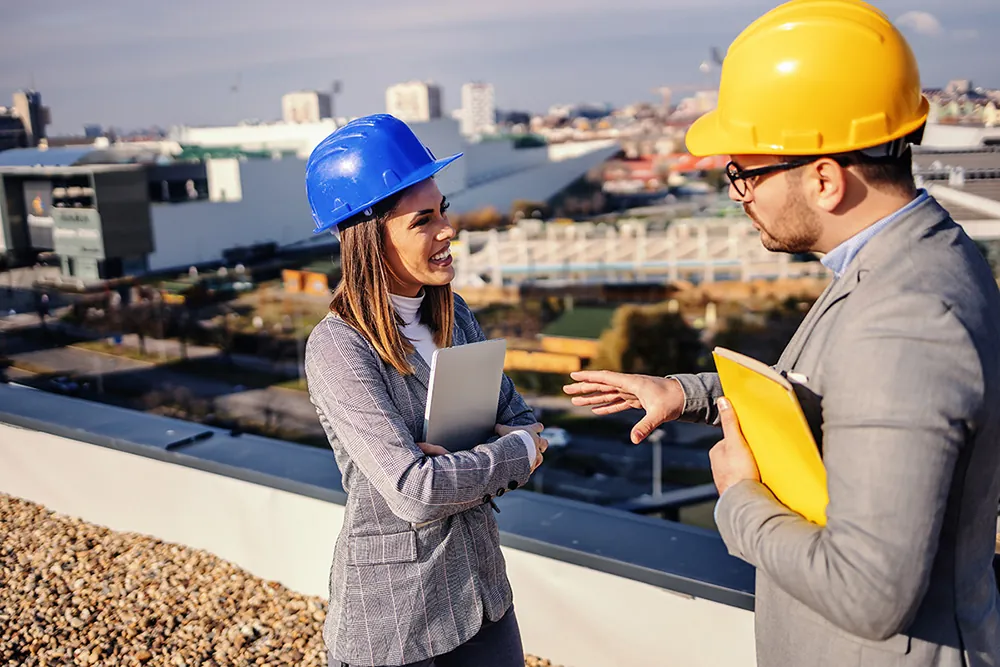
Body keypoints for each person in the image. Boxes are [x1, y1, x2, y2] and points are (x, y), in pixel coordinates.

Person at [564, 1, 1000, 665]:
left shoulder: (908, 319)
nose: (737, 194)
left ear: (825, 178)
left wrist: (740, 500)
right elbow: (837, 393)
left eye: (746, 172)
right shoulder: (909, 257)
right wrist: (685, 392)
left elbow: (869, 593)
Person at [303, 114, 548, 667]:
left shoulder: (454, 314)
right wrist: (517, 450)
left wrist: (471, 457)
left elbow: (520, 413)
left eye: (444, 211)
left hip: (483, 596)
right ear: (370, 236)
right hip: (397, 622)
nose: (448, 231)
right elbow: (413, 491)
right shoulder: (339, 349)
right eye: (423, 221)